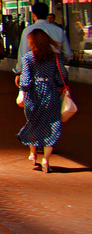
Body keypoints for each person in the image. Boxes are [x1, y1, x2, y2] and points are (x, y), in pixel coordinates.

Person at [17, 29, 70, 174]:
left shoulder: (28, 58)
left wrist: (22, 92)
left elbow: (26, 79)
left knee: (34, 122)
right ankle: (46, 159)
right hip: (50, 92)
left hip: (33, 94)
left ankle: (33, 153)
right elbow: (62, 76)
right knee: (52, 123)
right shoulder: (55, 57)